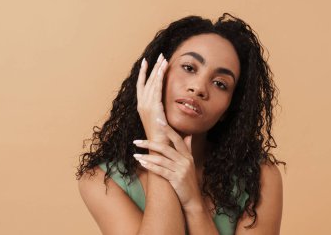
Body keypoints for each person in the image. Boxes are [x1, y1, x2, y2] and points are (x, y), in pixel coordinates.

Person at [76, 13, 285, 235]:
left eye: (220, 84)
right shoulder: (102, 181)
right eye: (189, 67)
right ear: (159, 73)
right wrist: (159, 147)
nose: (199, 88)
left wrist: (193, 202)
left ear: (229, 109)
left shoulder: (259, 177)